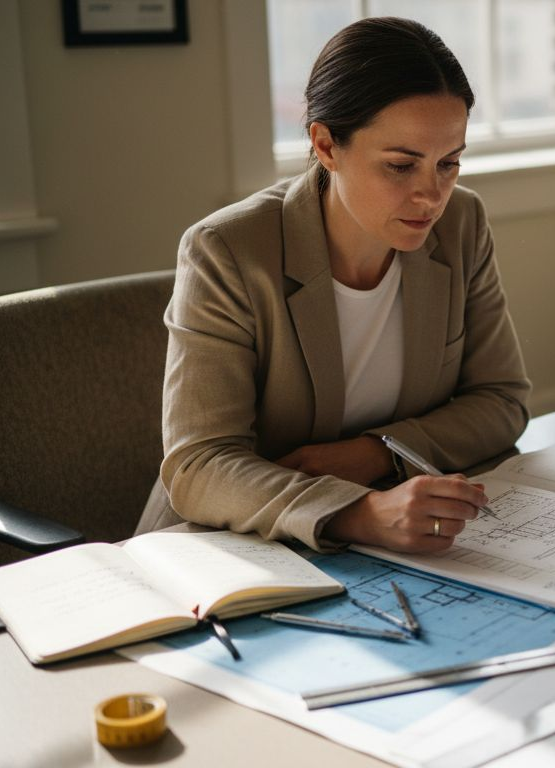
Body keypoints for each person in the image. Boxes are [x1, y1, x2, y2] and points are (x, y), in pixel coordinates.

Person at [135, 17, 530, 554]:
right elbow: (199, 465)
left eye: (449, 162)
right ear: (325, 145)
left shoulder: (463, 224)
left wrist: (374, 454)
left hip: (396, 536)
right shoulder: (227, 251)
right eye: (400, 166)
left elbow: (502, 401)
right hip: (232, 552)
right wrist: (357, 511)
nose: (431, 196)